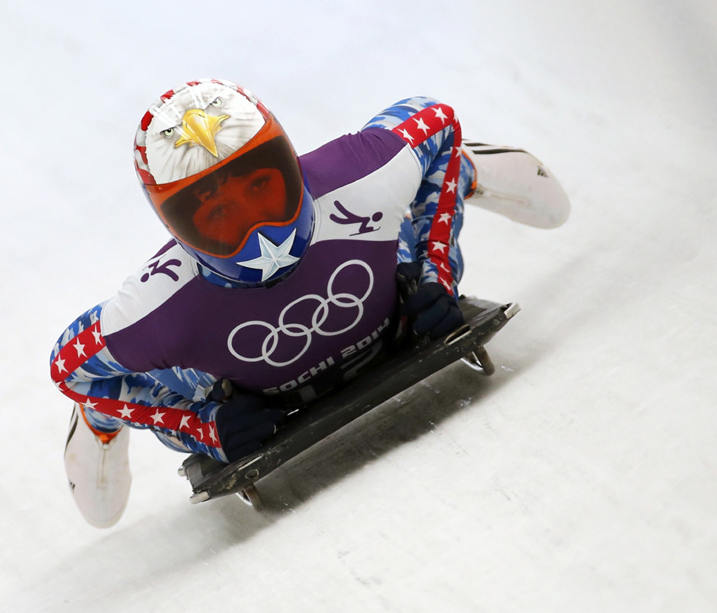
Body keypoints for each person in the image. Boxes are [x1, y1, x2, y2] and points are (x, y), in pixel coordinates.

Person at [51, 79, 569, 527]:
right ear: (175, 227)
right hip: (241, 389)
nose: (260, 233)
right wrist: (200, 423)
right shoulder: (157, 305)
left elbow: (437, 124)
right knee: (150, 380)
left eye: (261, 186)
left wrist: (435, 272)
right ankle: (101, 421)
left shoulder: (361, 174)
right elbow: (71, 368)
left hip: (387, 299)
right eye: (219, 215)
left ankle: (467, 171)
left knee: (412, 208)